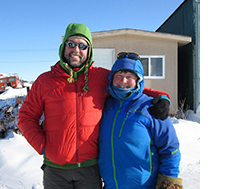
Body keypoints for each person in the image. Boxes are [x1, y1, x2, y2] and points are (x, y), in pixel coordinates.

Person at [18, 23, 171, 189]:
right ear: (63, 48)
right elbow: (26, 117)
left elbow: (129, 87)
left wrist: (162, 97)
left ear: (88, 51)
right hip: (56, 170)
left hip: (90, 169)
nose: (76, 49)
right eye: (71, 44)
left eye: (82, 45)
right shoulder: (45, 81)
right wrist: (44, 147)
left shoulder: (100, 77)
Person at [98, 52, 183, 189]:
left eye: (130, 77)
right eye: (119, 75)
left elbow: (170, 149)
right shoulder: (105, 105)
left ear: (139, 80)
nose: (123, 81)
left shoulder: (152, 108)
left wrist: (168, 183)